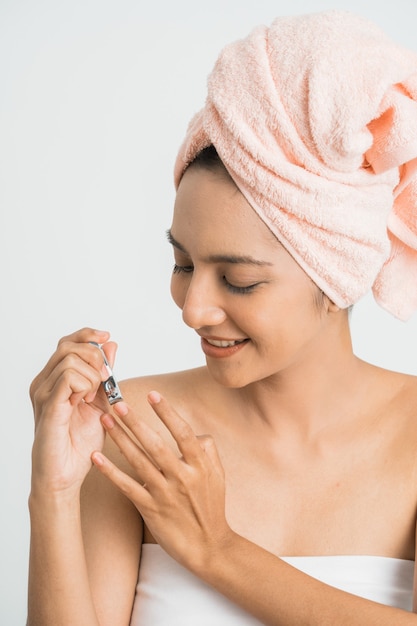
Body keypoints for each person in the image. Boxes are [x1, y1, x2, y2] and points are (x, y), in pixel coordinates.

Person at [27, 10, 417, 626]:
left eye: (239, 280)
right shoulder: (133, 431)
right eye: (183, 264)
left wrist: (218, 551)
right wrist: (52, 495)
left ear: (334, 277)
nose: (193, 309)